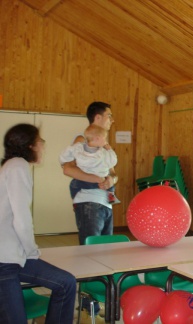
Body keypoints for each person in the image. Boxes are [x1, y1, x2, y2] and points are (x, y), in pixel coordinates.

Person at [0, 124, 76, 324]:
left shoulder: (12, 165)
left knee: (65, 282)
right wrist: (32, 251)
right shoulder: (18, 165)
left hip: (12, 258)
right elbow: (21, 217)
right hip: (4, 262)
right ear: (30, 145)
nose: (43, 145)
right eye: (40, 141)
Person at [61, 101, 116, 322]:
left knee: (104, 253)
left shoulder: (103, 143)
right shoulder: (82, 140)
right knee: (90, 253)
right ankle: (86, 302)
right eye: (109, 116)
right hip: (89, 202)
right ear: (98, 117)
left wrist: (111, 179)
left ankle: (98, 299)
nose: (112, 120)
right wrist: (98, 179)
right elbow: (67, 168)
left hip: (105, 202)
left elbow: (113, 173)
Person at [59, 124, 120, 204]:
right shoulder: (103, 153)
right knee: (110, 186)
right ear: (97, 138)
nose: (105, 141)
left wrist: (63, 160)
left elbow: (66, 153)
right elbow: (113, 161)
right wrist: (110, 150)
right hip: (100, 183)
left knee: (73, 185)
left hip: (84, 183)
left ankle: (75, 198)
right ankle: (111, 195)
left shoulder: (79, 148)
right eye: (104, 139)